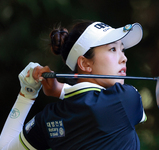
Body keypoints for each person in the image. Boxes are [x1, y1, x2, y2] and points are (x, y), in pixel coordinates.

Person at [0, 20, 147, 150]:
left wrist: (27, 93)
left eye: (122, 50)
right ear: (84, 63)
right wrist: (59, 90)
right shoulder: (126, 99)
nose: (124, 58)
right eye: (113, 49)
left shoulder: (50, 117)